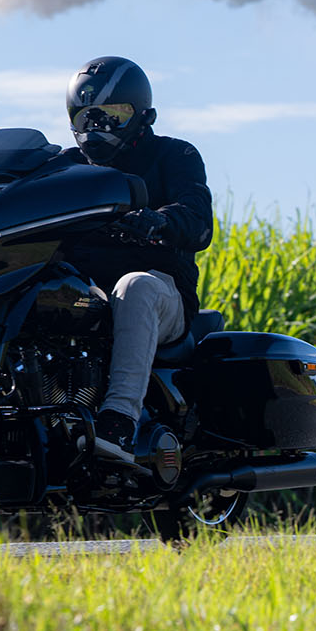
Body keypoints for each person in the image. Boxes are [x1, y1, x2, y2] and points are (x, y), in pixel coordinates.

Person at [63, 56, 213, 464]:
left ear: (143, 115)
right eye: (87, 116)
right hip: (83, 291)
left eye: (112, 115)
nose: (98, 126)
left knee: (135, 285)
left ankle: (119, 422)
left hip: (163, 294)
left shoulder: (173, 155)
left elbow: (198, 219)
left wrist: (159, 221)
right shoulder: (64, 169)